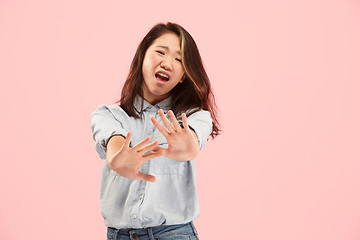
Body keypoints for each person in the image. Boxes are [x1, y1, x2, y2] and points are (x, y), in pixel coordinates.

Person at [91, 22, 220, 240]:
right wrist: (118, 158)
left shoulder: (195, 116)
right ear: (142, 58)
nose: (167, 63)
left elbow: (191, 143)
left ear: (183, 76)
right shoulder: (109, 115)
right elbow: (113, 140)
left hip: (174, 234)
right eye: (160, 52)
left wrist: (186, 146)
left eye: (179, 60)